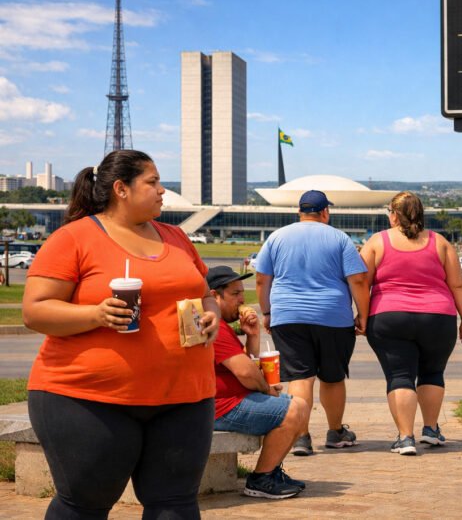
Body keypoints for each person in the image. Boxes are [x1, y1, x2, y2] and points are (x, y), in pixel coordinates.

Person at [22, 150, 220, 519]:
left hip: (185, 399)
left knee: (175, 505)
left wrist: (211, 315)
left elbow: (205, 294)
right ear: (121, 189)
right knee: (85, 505)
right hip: (88, 399)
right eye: (153, 182)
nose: (163, 191)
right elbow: (35, 311)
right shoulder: (74, 238)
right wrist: (96, 314)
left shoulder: (176, 237)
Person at [359, 191, 462, 456]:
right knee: (433, 372)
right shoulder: (441, 242)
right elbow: (457, 284)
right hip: (438, 317)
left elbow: (361, 281)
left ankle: (405, 437)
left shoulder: (377, 242)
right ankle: (431, 429)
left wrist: (362, 316)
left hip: (389, 317)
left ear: (393, 215)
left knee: (400, 376)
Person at [255, 189, 369, 456]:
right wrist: (363, 314)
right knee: (332, 377)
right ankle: (335, 431)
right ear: (325, 212)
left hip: (288, 316)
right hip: (333, 316)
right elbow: (358, 280)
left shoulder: (277, 237)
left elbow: (262, 279)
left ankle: (301, 435)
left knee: (300, 377)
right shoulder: (340, 238)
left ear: (299, 212)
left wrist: (267, 311)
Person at [207, 265, 310, 499]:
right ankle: (260, 479)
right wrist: (267, 390)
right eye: (235, 294)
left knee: (301, 406)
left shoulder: (223, 326)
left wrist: (253, 335)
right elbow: (245, 373)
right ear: (214, 296)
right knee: (292, 411)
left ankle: (270, 472)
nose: (242, 300)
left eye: (242, 293)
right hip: (220, 408)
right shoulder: (216, 329)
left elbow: (249, 365)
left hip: (232, 401)